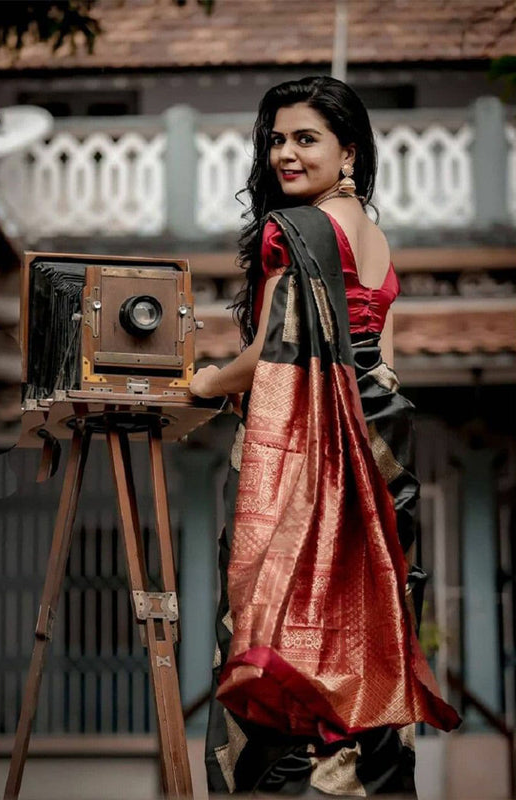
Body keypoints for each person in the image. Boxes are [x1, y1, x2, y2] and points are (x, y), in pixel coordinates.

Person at [189, 76, 460, 797]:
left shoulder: (300, 231)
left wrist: (208, 381)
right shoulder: (374, 236)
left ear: (350, 152)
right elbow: (384, 371)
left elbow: (270, 356)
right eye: (276, 138)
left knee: (281, 634)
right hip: (379, 470)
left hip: (304, 467)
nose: (284, 152)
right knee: (367, 633)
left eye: (305, 138)